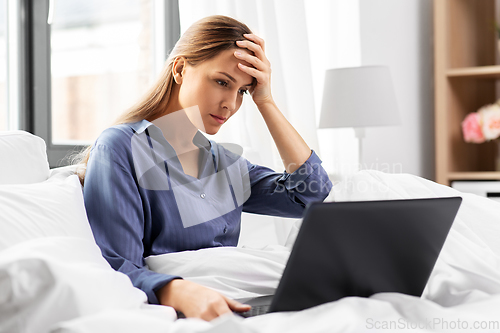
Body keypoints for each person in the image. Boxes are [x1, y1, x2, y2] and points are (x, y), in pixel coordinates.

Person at [77, 15, 332, 321]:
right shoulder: (120, 147)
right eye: (222, 82)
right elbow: (117, 262)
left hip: (241, 306)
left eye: (242, 91)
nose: (230, 104)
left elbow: (312, 198)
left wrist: (265, 100)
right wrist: (182, 292)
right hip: (190, 313)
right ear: (181, 69)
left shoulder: (227, 163)